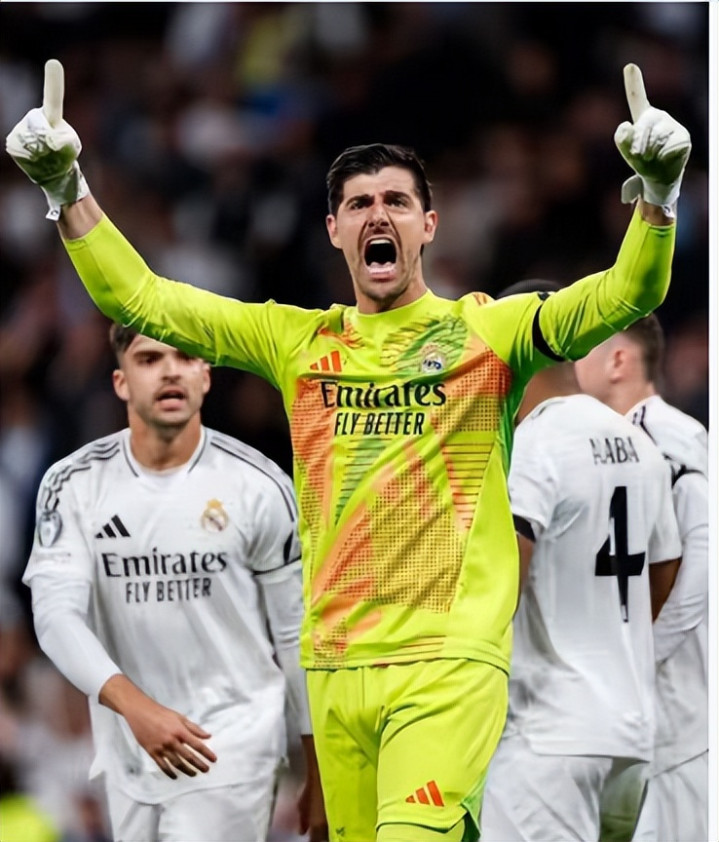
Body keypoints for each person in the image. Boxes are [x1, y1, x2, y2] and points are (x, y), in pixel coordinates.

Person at [6, 60, 692, 842]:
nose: (379, 215)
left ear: (428, 225)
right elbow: (142, 300)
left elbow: (624, 296)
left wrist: (657, 200)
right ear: (334, 230)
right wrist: (67, 191)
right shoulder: (297, 342)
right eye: (359, 204)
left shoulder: (487, 333)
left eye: (397, 201)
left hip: (445, 665)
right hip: (334, 670)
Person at [21, 323, 326, 842]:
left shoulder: (258, 484)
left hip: (232, 745)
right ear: (120, 382)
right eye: (149, 359)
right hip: (128, 749)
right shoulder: (73, 485)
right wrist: (136, 708)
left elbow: (296, 632)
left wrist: (318, 766)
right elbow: (55, 616)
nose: (170, 371)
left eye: (185, 357)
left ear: (205, 376)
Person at [478, 280, 682, 842]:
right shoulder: (639, 442)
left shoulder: (534, 443)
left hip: (549, 737)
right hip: (631, 735)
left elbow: (504, 580)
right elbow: (665, 567)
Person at [573, 314, 709, 842]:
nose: (571, 363)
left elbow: (702, 566)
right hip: (648, 722)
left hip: (683, 719)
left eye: (583, 350)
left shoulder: (663, 434)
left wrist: (641, 656)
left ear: (618, 361)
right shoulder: (613, 439)